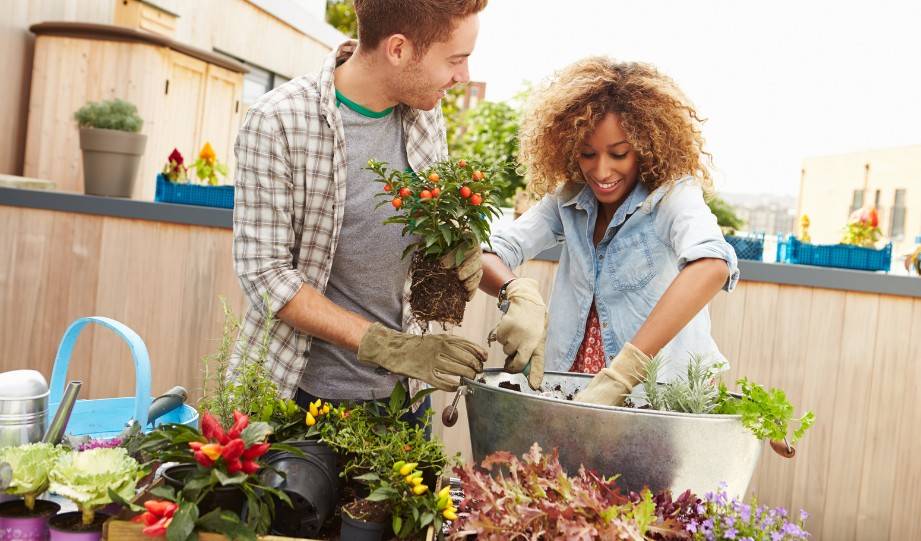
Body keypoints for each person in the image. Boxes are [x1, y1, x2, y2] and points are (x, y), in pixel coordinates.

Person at [230, 0, 490, 408]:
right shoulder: (278, 120)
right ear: (399, 49)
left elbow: (431, 222)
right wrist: (384, 345)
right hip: (296, 397)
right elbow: (266, 276)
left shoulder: (424, 113)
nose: (463, 76)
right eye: (455, 60)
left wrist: (464, 247)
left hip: (404, 396)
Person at [481, 57, 739, 406]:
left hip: (655, 392)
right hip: (573, 383)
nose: (601, 171)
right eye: (588, 154)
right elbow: (488, 253)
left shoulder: (672, 197)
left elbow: (712, 264)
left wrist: (624, 373)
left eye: (619, 154)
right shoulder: (569, 200)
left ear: (647, 147)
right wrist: (515, 293)